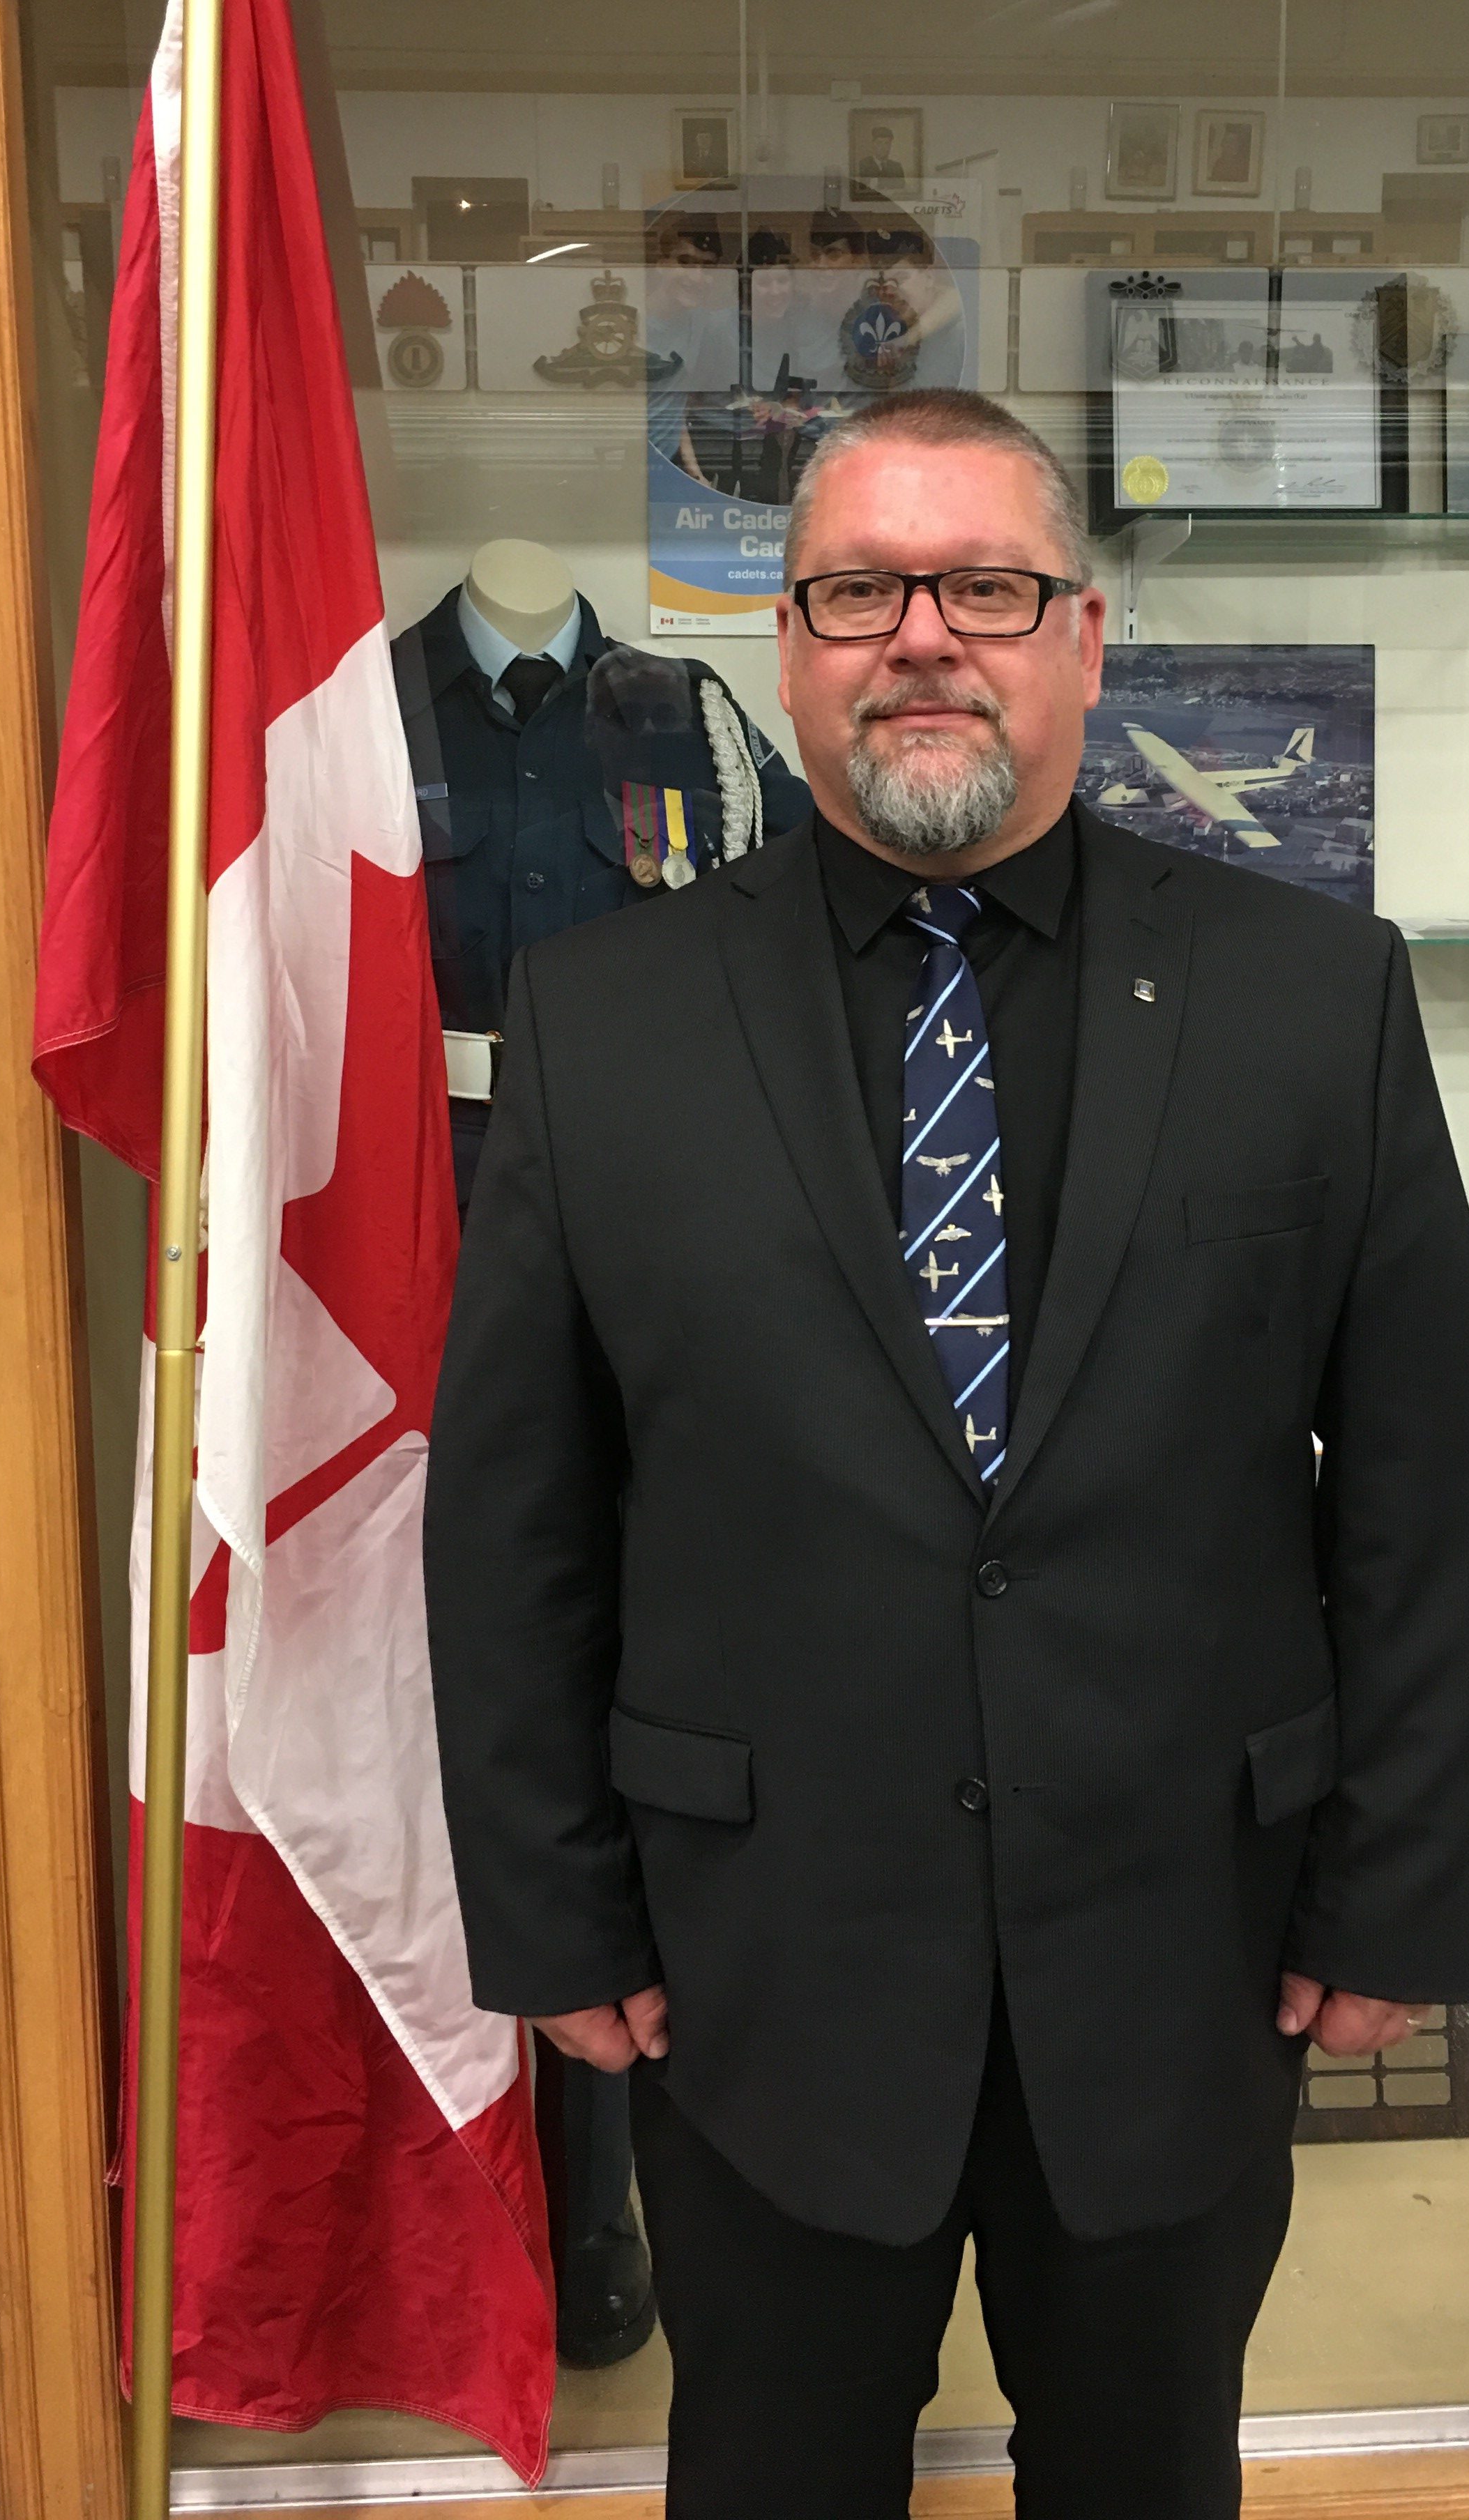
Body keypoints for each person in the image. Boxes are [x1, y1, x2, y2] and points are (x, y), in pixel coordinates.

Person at [425, 390, 1469, 2516]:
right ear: (793, 648)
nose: (922, 634)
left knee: (1144, 2477)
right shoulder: (601, 1023)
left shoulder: (1314, 998)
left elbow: (1423, 1491)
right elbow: (518, 1517)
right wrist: (549, 1919)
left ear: (1082, 641)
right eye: (858, 591)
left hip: (1183, 1957)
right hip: (756, 1971)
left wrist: (1403, 1901)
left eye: (984, 586)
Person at [395, 551, 808, 2365]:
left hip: (653, 1249)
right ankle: (441, 2192)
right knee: (443, 1692)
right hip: (414, 1238)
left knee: (631, 1687)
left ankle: (613, 2178)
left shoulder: (694, 724)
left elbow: (811, 957)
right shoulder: (365, 715)